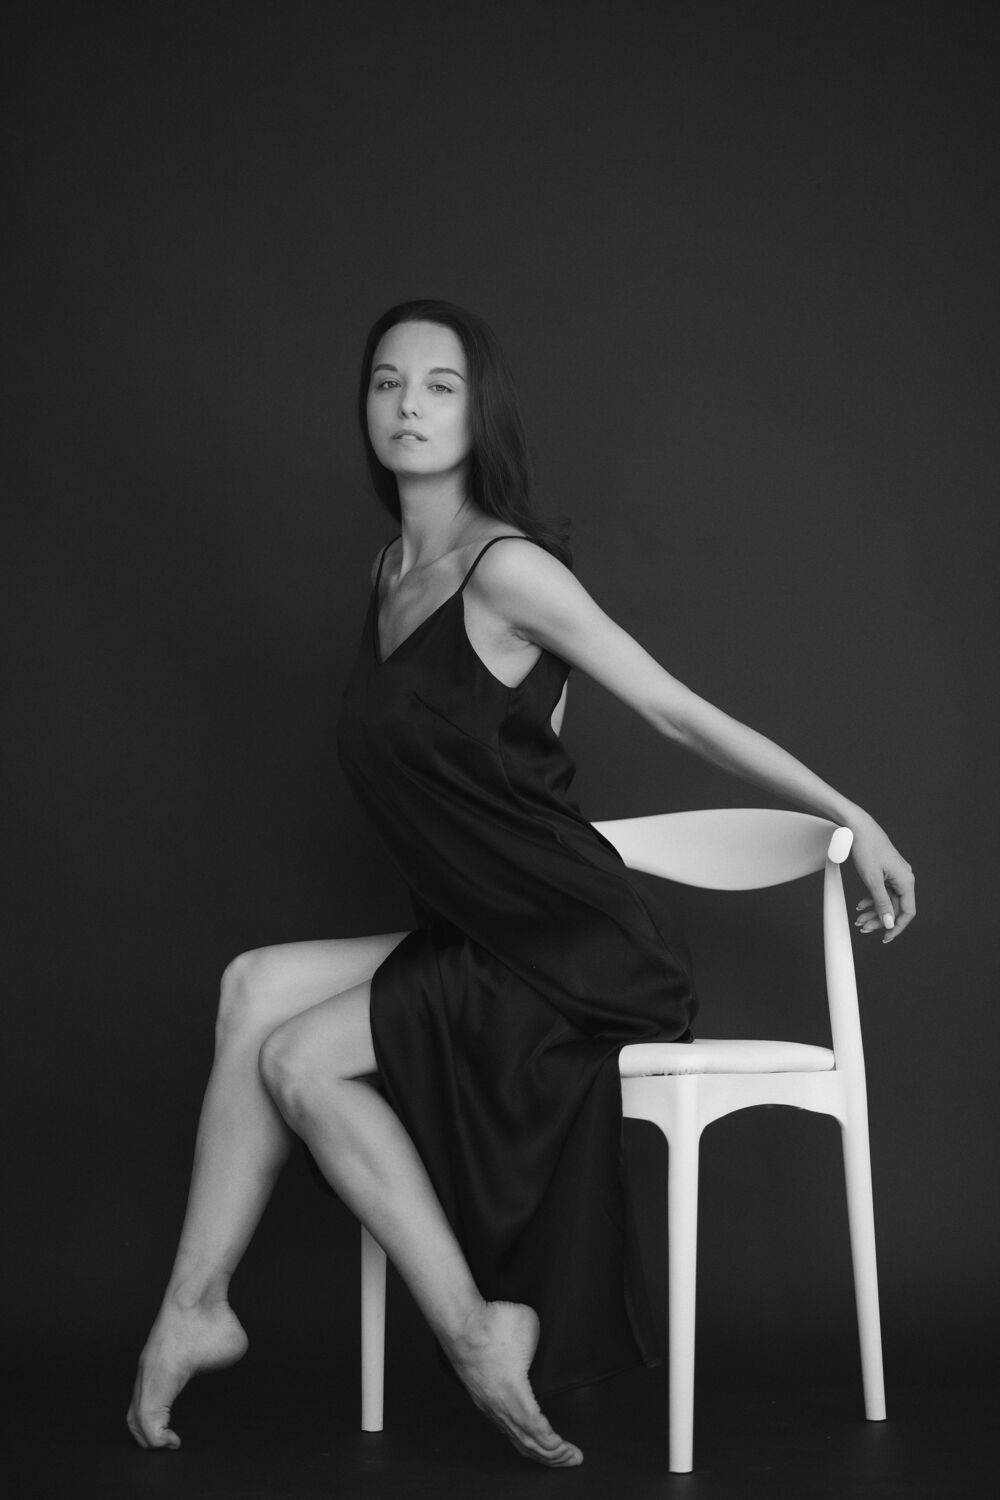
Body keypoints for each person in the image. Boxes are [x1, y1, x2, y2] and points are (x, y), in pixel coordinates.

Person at [126, 298, 915, 1469]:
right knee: (251, 988)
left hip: (577, 944)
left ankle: (474, 1328)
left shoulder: (507, 572)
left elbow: (674, 709)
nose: (408, 405)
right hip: (485, 935)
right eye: (387, 382)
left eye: (438, 386)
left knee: (297, 1059)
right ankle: (196, 1307)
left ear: (476, 412)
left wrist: (851, 814)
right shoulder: (389, 573)